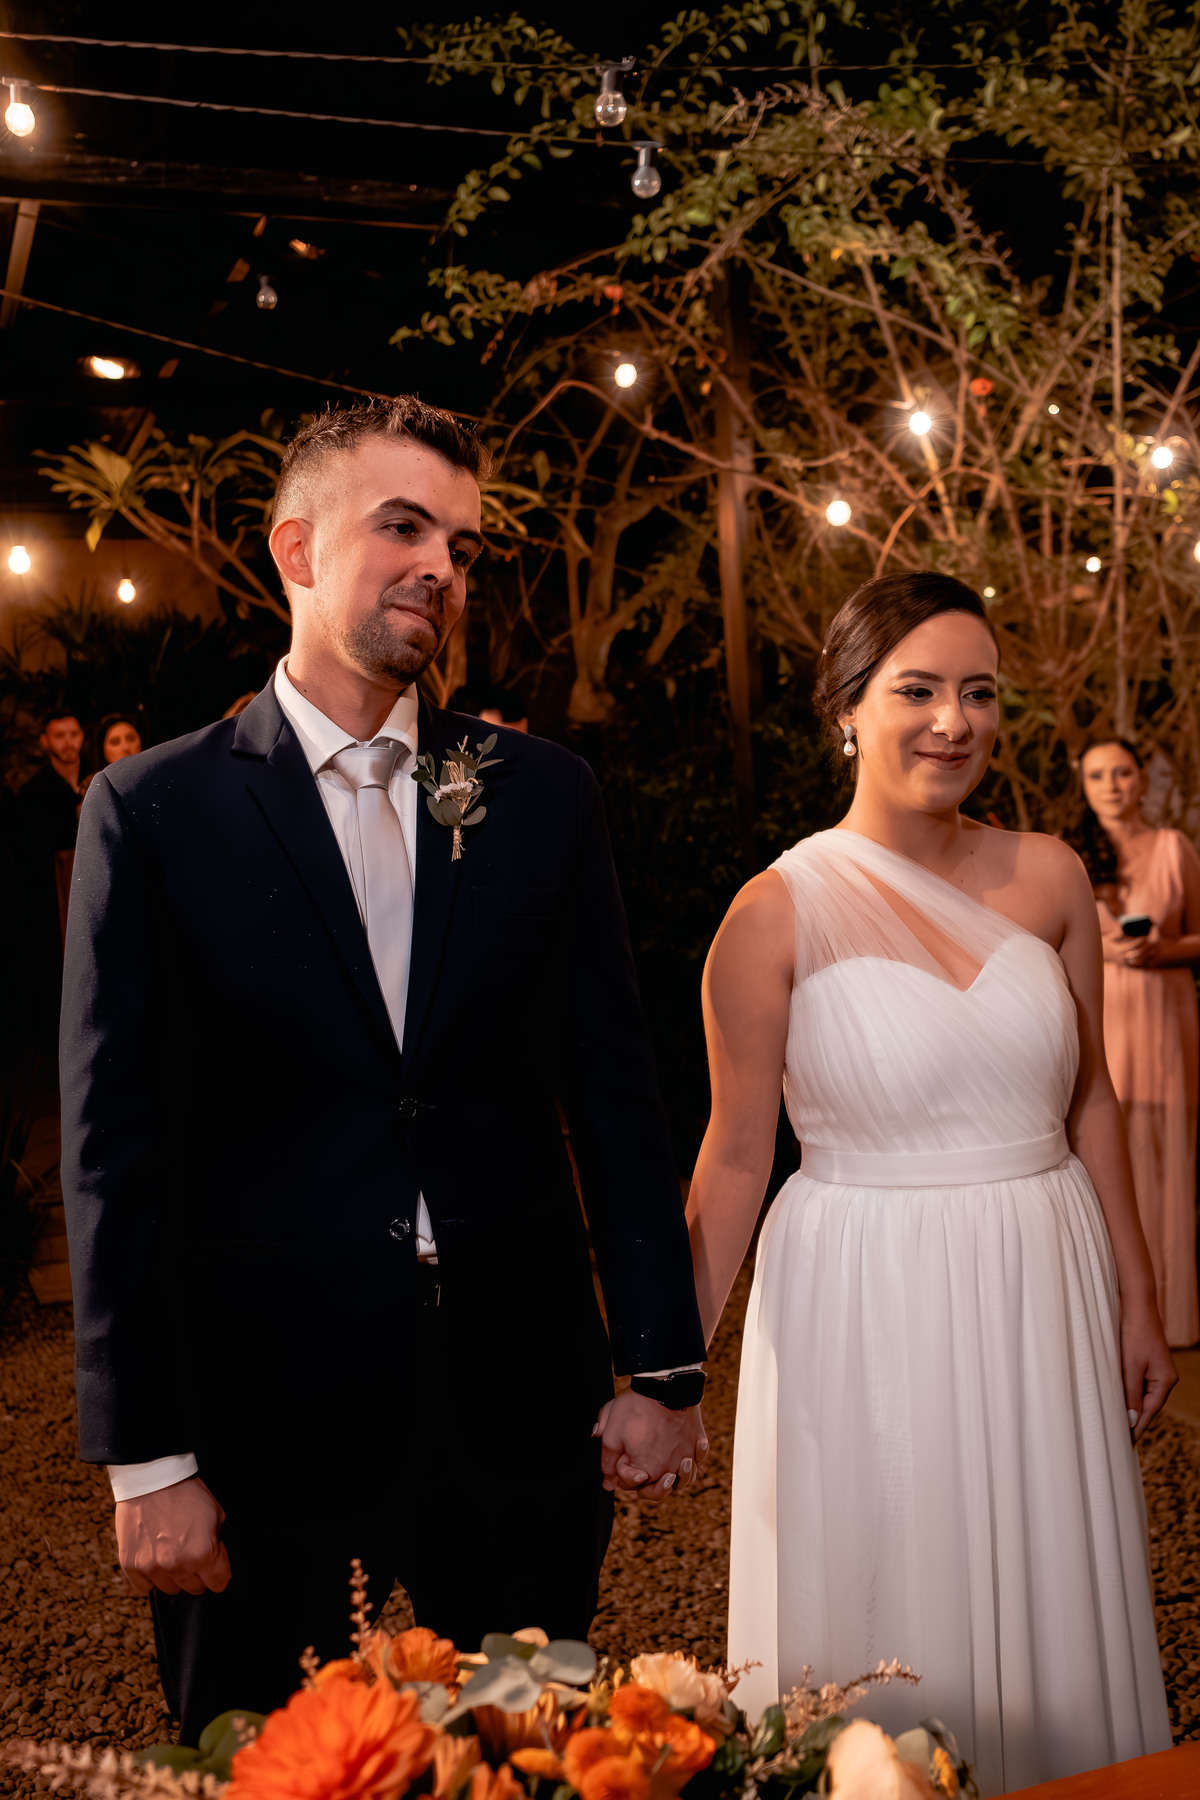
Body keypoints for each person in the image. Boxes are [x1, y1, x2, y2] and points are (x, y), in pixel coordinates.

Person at [59, 395, 706, 1747]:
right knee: (276, 1765)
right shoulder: (157, 810)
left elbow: (617, 1091)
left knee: (541, 1764)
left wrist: (658, 1368)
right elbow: (115, 1146)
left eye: (462, 547)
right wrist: (149, 1455)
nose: (440, 567)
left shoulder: (537, 794)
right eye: (402, 527)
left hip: (520, 1414)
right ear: (296, 550)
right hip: (260, 1422)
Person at [687, 573, 1174, 1795]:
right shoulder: (771, 914)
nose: (953, 721)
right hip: (866, 1295)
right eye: (918, 690)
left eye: (979, 694)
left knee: (1052, 1578)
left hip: (1041, 1273)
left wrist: (1136, 1293)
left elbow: (1092, 1099)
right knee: (890, 1586)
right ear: (847, 708)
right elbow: (738, 1154)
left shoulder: (1053, 875)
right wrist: (661, 1371)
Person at [1067, 737, 1200, 1348]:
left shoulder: (1175, 848)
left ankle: (1171, 1320)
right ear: (1084, 785)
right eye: (1099, 775)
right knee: (1101, 1155)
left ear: (1141, 779)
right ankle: (1103, 1314)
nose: (1113, 785)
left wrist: (1162, 950)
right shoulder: (1068, 857)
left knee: (1167, 1157)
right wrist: (1104, 950)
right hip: (1101, 1021)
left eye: (1122, 773)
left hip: (1164, 1017)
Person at [18, 712, 86, 985]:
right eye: (59, 736)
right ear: (46, 741)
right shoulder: (33, 792)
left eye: (73, 734)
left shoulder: (97, 778)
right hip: (56, 892)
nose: (68, 742)